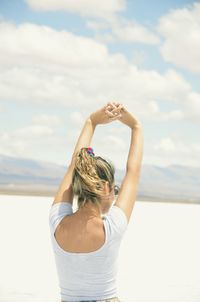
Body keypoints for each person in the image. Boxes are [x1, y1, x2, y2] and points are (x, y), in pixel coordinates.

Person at [49, 102, 144, 302]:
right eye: (115, 189)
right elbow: (133, 172)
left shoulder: (56, 223)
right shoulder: (112, 228)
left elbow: (71, 168)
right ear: (106, 187)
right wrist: (135, 126)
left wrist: (92, 122)